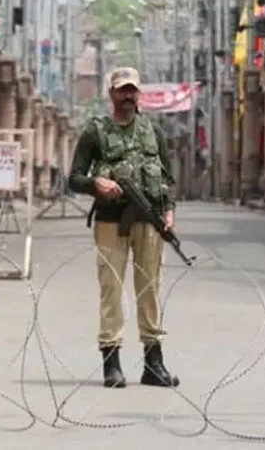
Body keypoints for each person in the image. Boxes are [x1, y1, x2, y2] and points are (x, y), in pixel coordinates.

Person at [67, 67, 180, 389]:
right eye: (122, 90)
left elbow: (168, 179)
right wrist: (95, 183)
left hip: (150, 221)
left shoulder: (152, 131)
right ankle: (111, 363)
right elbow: (73, 178)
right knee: (112, 290)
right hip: (110, 221)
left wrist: (169, 212)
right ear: (111, 93)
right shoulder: (96, 132)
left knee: (150, 291)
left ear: (139, 94)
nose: (128, 96)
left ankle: (153, 365)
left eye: (132, 91)